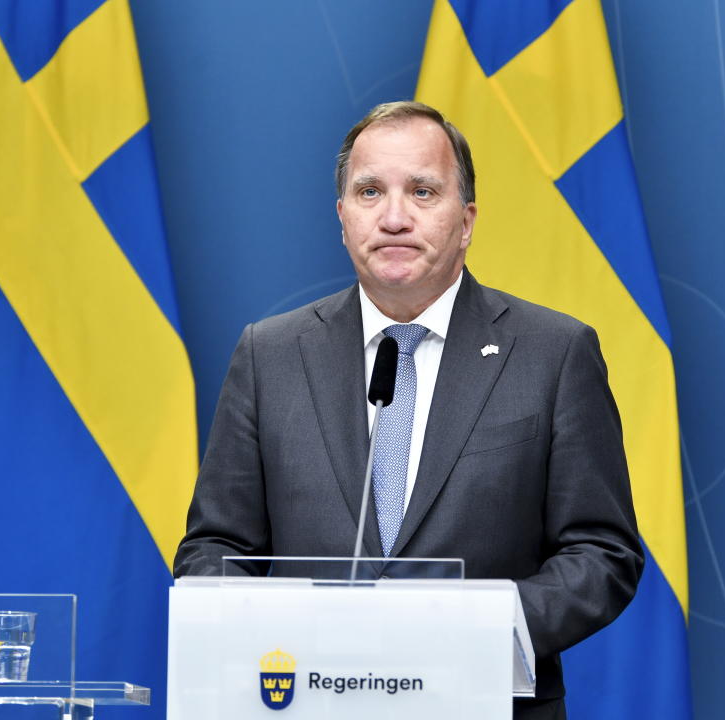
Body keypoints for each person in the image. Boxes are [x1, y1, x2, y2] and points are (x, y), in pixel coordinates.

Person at [174, 101, 643, 719]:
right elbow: (214, 548)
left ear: (467, 219)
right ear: (342, 218)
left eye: (423, 191)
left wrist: (474, 630)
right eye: (370, 192)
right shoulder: (271, 354)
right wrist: (281, 636)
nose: (394, 217)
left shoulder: (554, 353)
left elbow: (602, 551)